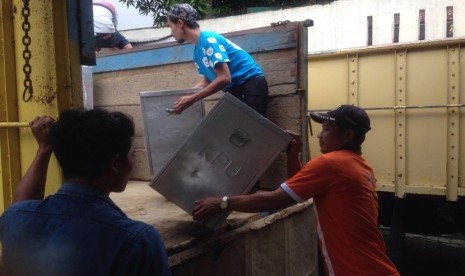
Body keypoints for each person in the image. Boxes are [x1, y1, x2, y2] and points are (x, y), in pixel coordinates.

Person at [193, 105, 400, 276]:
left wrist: (223, 202)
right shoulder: (359, 165)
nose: (320, 134)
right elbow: (299, 193)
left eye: (327, 128)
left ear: (347, 135)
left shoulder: (331, 163)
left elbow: (275, 200)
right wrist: (293, 154)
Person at [0, 109, 171, 276]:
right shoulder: (137, 241)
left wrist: (44, 148)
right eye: (132, 154)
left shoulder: (13, 218)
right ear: (114, 165)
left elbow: (22, 205)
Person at [167, 3, 269, 116]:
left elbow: (225, 78)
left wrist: (193, 98)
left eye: (170, 26)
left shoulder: (209, 40)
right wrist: (184, 97)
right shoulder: (197, 52)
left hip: (249, 84)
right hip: (235, 90)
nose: (171, 32)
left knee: (251, 130)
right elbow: (207, 80)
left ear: (180, 23)